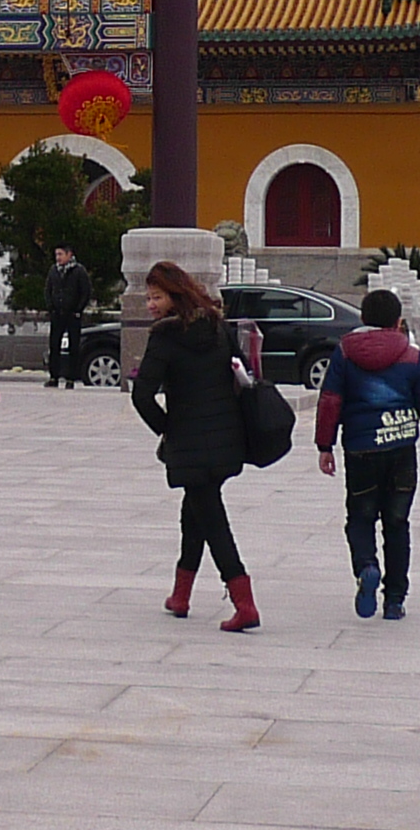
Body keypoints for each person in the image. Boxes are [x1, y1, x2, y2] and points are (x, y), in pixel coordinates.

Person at [130, 259, 258, 632]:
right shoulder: (217, 326)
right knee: (196, 511)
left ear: (174, 296)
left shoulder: (165, 337)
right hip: (226, 437)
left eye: (155, 297)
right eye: (148, 298)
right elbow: (240, 373)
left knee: (213, 520)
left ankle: (244, 601)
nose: (150, 305)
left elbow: (142, 396)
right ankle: (180, 594)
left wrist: (167, 429)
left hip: (190, 441)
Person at [316, 290, 420, 621]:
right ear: (398, 322)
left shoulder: (345, 352)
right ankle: (394, 600)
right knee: (397, 524)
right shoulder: (410, 354)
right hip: (401, 450)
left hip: (360, 450)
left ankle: (366, 567)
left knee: (361, 518)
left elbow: (330, 400)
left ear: (363, 319)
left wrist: (325, 445)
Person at [44, 243, 91, 387]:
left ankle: (71, 378)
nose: (58, 258)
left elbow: (85, 292)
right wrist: (51, 307)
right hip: (57, 314)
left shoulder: (79, 271)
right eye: (56, 254)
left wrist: (78, 310)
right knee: (54, 345)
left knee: (73, 347)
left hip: (72, 314)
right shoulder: (54, 271)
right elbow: (48, 289)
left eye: (60, 254)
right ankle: (54, 376)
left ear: (69, 254)